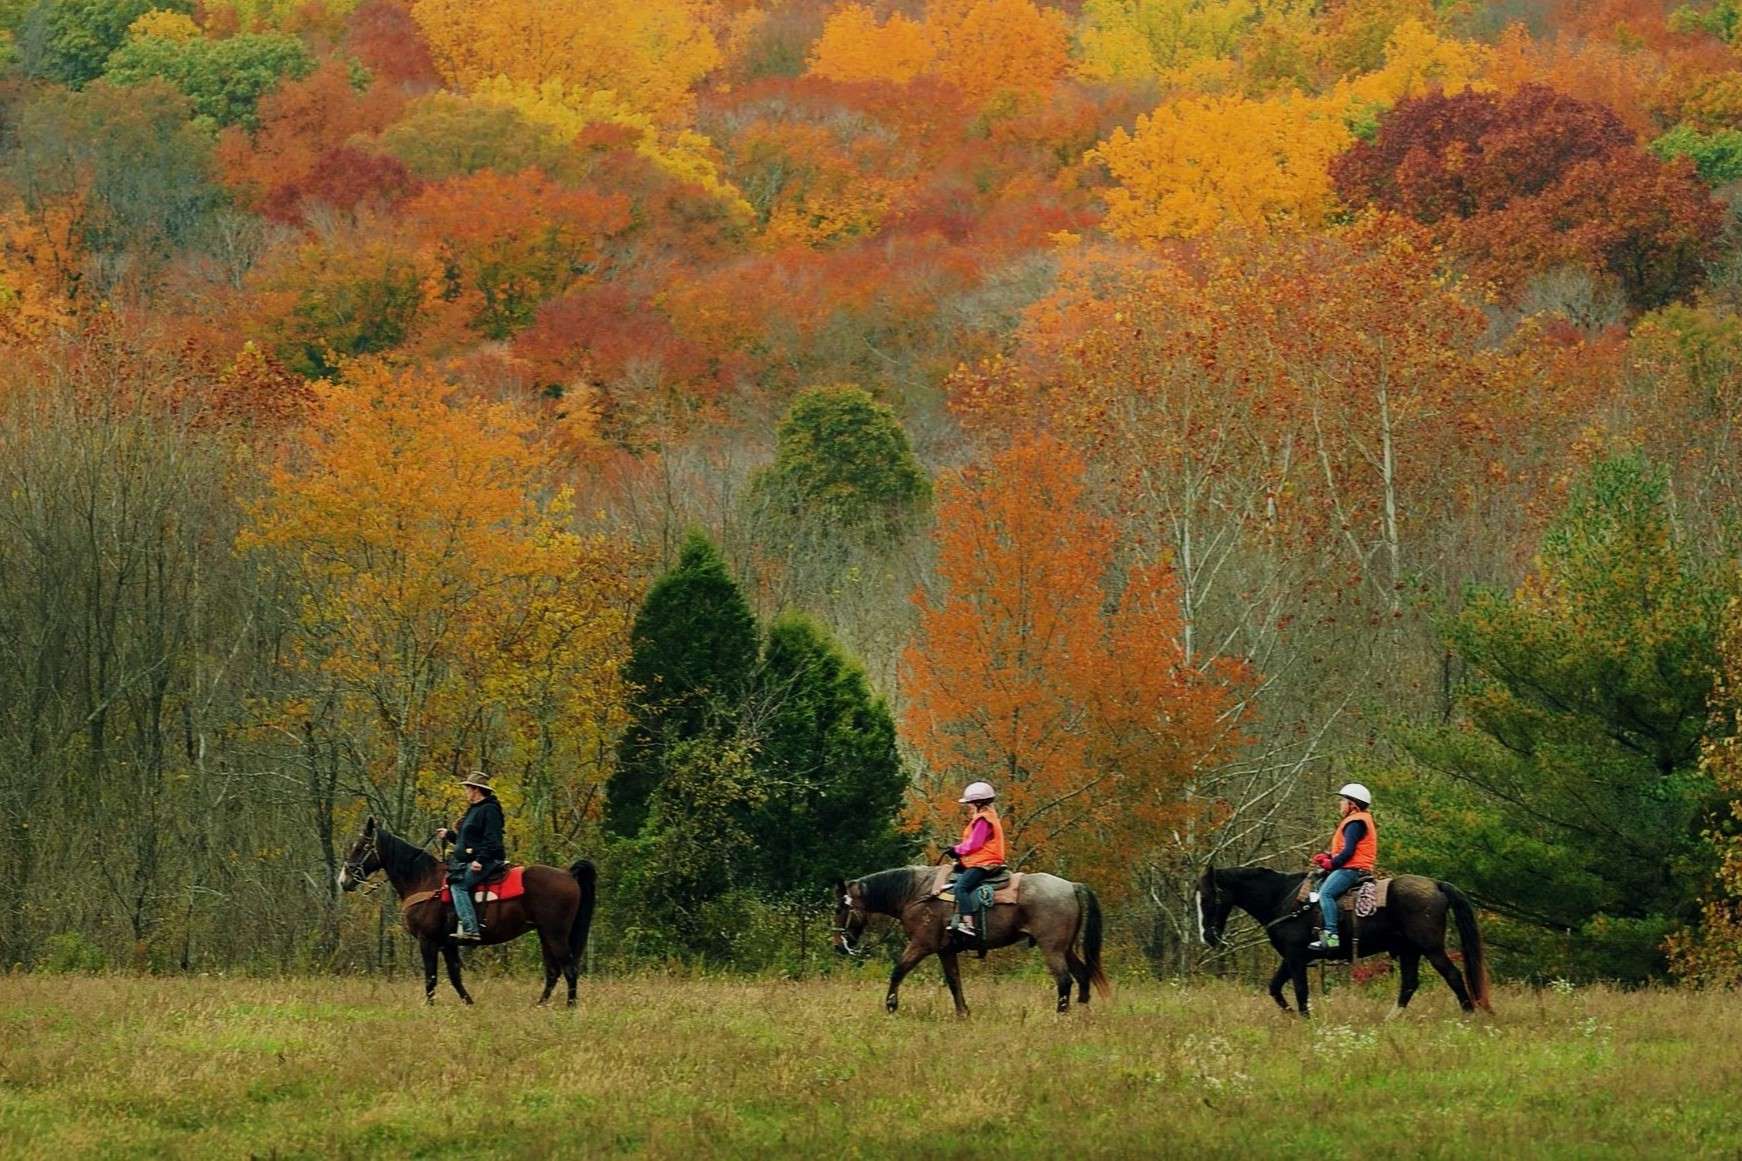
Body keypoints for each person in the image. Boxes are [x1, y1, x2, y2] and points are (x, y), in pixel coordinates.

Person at [435, 771, 506, 942]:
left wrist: (480, 860)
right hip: (472, 859)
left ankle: (470, 929)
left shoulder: (490, 810)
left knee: (458, 885)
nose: (466, 792)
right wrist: (449, 835)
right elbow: (467, 840)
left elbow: (492, 840)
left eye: (467, 788)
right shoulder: (474, 810)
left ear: (476, 790)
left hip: (488, 860)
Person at [1308, 783, 1377, 953]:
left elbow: (1348, 852)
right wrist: (1328, 856)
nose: (1340, 804)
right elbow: (1346, 850)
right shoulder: (1359, 820)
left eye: (1343, 801)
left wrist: (1332, 863)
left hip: (1351, 870)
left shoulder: (1355, 822)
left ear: (1352, 804)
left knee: (1326, 894)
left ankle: (1331, 937)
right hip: (1352, 866)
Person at [947, 781, 1006, 938]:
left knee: (961, 887)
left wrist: (957, 850)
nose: (969, 806)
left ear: (979, 803)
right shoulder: (988, 816)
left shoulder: (983, 819)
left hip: (984, 862)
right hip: (983, 859)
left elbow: (975, 843)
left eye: (970, 803)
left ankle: (968, 924)